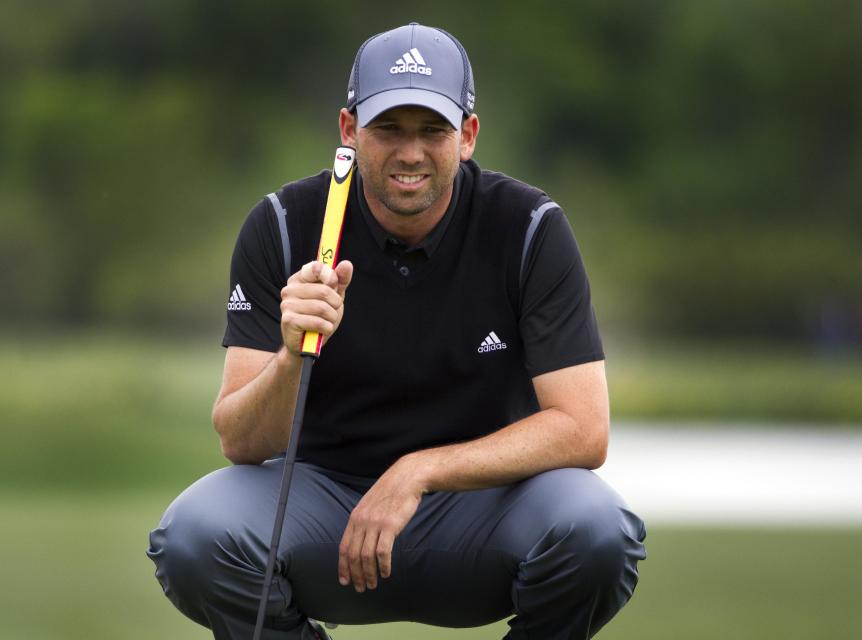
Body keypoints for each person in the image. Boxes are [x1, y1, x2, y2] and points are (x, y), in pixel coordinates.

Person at [148, 22, 646, 640]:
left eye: (432, 130)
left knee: (598, 529)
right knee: (195, 535)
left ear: (466, 137)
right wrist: (291, 353)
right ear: (349, 131)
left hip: (484, 507)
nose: (410, 152)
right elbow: (240, 441)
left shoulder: (528, 227)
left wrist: (418, 471)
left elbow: (584, 430)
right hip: (322, 502)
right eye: (388, 129)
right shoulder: (283, 223)